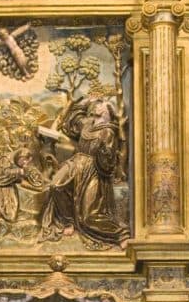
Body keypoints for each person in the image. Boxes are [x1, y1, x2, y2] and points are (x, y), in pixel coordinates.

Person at [41, 94, 129, 249]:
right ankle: (68, 221)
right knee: (56, 186)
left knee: (89, 216)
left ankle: (120, 234)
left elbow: (108, 162)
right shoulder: (88, 123)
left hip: (93, 170)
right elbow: (74, 119)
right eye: (98, 104)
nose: (98, 106)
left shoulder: (108, 131)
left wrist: (104, 151)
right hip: (76, 163)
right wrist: (84, 102)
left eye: (102, 105)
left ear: (107, 112)